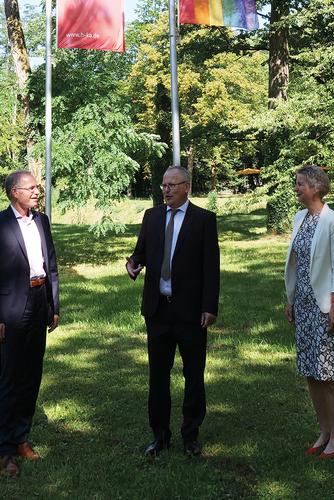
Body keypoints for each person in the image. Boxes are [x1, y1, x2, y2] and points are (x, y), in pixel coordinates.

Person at [126, 166, 220, 458]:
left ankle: (190, 436)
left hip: (191, 313)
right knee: (158, 376)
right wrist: (132, 263)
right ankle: (160, 435)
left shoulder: (203, 220)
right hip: (158, 311)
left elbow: (210, 267)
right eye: (164, 185)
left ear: (187, 187)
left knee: (193, 375)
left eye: (172, 185)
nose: (165, 190)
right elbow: (140, 252)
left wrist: (209, 306)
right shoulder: (152, 216)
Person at [0, 170, 60, 476]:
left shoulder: (41, 221)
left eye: (37, 187)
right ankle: (7, 450)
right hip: (12, 311)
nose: (37, 192)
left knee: (32, 375)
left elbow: (50, 265)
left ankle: (23, 438)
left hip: (40, 305)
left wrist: (54, 306)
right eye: (31, 188)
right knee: (11, 380)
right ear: (15, 192)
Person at [283, 165, 334, 459]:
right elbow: (295, 263)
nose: (296, 188)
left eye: (300, 184)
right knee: (311, 371)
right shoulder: (299, 218)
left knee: (329, 374)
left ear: (316, 187)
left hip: (324, 307)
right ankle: (323, 431)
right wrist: (291, 299)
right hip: (304, 305)